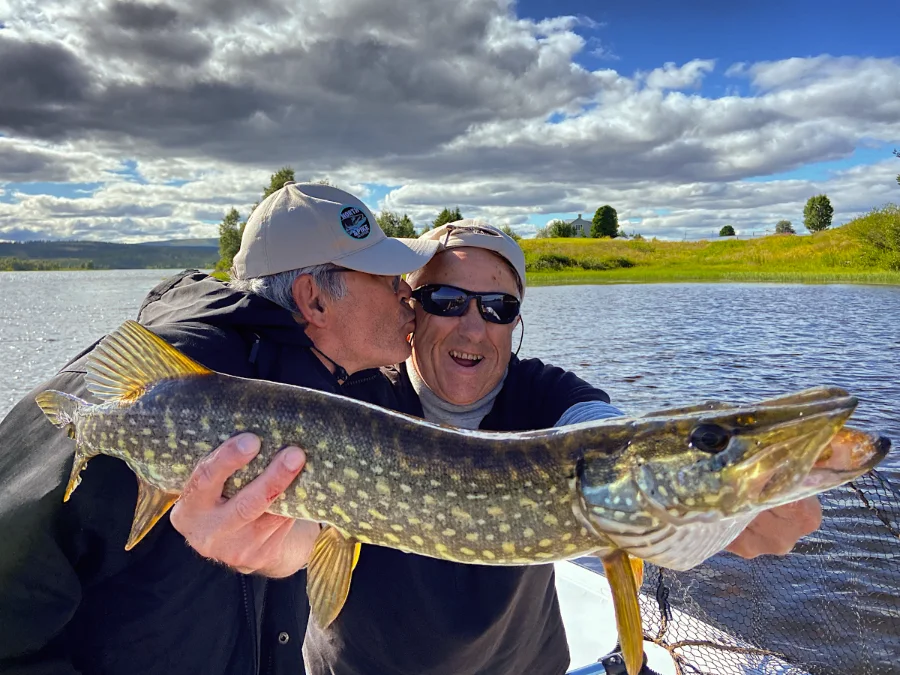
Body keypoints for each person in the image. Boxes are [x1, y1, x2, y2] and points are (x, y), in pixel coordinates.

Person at [301, 221, 823, 675]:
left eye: (498, 308)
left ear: (515, 323)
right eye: (447, 301)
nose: (473, 327)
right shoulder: (350, 393)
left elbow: (608, 436)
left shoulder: (550, 394)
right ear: (411, 310)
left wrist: (707, 508)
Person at [0, 182, 439, 675]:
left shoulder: (336, 387)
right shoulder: (154, 391)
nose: (409, 293)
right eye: (388, 279)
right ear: (314, 300)